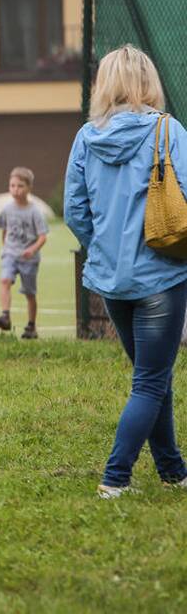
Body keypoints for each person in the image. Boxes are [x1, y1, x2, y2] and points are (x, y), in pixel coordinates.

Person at [65, 44, 187, 499]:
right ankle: (115, 478)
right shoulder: (168, 130)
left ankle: (174, 471)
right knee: (151, 381)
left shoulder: (85, 137)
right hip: (162, 276)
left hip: (110, 281)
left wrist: (104, 245)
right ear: (148, 81)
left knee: (152, 378)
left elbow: (74, 209)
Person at [0, 167, 48, 339]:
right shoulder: (7, 209)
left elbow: (43, 237)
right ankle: (5, 315)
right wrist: (5, 248)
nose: (15, 190)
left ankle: (31, 326)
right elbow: (4, 230)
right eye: (12, 186)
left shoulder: (35, 212)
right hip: (10, 254)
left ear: (29, 188)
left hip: (29, 259)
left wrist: (32, 250)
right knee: (4, 280)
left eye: (20, 186)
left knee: (29, 293)